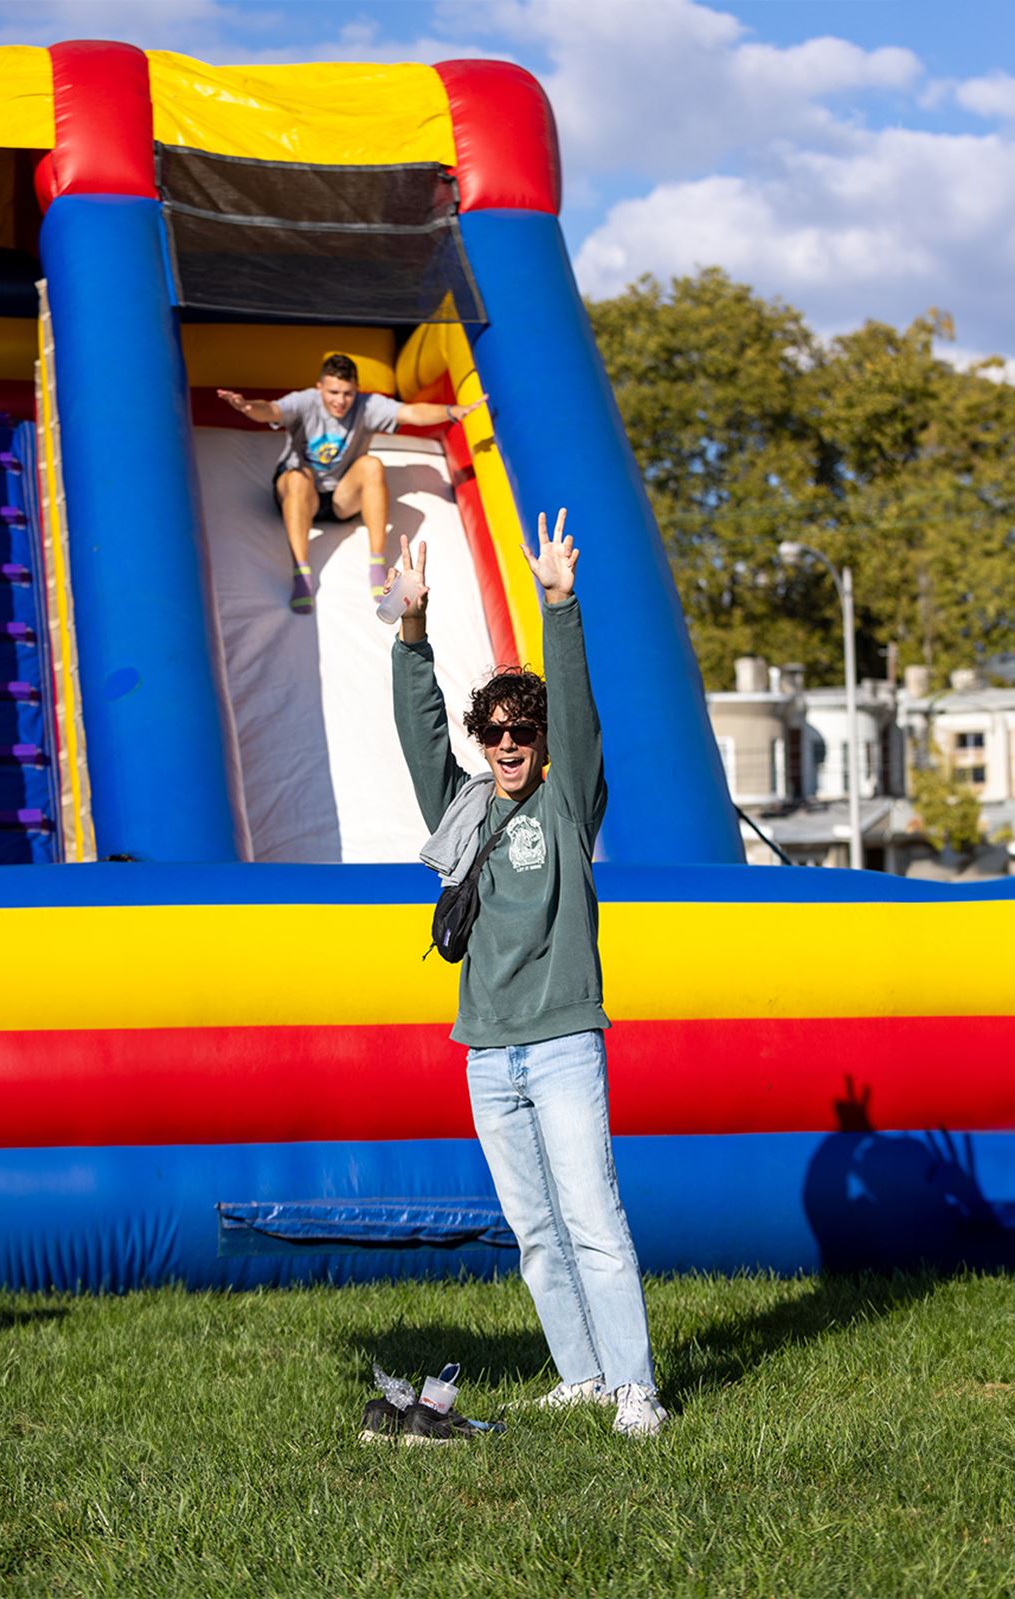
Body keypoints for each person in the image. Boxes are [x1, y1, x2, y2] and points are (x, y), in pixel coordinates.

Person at [389, 512, 667, 1439]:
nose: (507, 745)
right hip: (486, 1054)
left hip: (561, 1045)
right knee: (537, 1234)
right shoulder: (465, 808)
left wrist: (559, 604)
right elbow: (420, 738)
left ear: (541, 741)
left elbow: (581, 717)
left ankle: (636, 1388)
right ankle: (582, 1374)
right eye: (494, 732)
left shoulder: (565, 800)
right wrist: (412, 634)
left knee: (593, 1221)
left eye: (522, 732)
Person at [217, 353, 486, 614]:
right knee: (299, 476)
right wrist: (248, 407)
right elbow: (272, 410)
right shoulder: (305, 402)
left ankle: (376, 564)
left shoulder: (367, 405)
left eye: (347, 393)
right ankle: (301, 571)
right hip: (301, 495)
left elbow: (411, 412)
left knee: (372, 465)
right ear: (320, 387)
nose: (340, 401)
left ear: (356, 390)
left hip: (341, 498)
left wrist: (451, 411)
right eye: (333, 393)